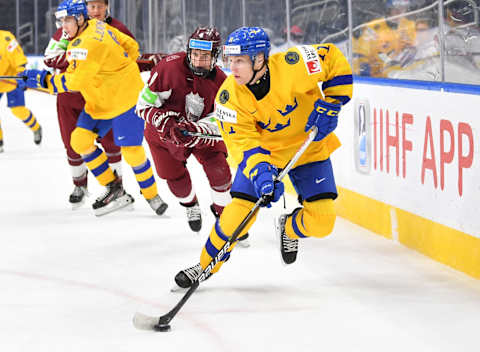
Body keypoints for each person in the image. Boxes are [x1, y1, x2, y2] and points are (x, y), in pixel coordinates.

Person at [173, 26, 353, 288]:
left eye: (240, 61)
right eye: (230, 60)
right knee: (236, 217)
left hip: (308, 148)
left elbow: (332, 57)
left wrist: (333, 102)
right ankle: (203, 267)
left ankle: (289, 228)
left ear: (260, 59)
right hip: (265, 155)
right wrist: (261, 174)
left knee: (323, 222)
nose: (233, 68)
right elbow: (243, 144)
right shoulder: (228, 98)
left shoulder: (293, 64)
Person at [23, 0, 167, 217]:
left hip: (125, 98)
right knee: (79, 140)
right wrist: (114, 67)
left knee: (131, 151)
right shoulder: (97, 26)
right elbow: (131, 46)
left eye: (68, 20)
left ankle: (152, 195)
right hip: (99, 101)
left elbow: (74, 82)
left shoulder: (86, 44)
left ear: (80, 19)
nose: (64, 26)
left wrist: (44, 81)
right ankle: (114, 188)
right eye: (61, 20)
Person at [136, 26, 247, 239]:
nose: (197, 61)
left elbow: (221, 121)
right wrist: (165, 122)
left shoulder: (223, 83)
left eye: (205, 56)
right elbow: (142, 106)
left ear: (215, 56)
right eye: (195, 54)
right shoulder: (167, 69)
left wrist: (196, 129)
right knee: (176, 181)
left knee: (220, 172)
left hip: (200, 134)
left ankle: (226, 218)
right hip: (163, 134)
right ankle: (190, 204)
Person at [43, 0, 135, 208]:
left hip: (102, 96)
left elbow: (129, 54)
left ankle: (117, 188)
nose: (95, 11)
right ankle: (80, 185)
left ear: (107, 7)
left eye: (99, 6)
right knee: (73, 143)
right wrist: (78, 60)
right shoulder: (66, 31)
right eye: (91, 6)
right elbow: (49, 58)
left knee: (112, 142)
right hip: (69, 97)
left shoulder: (115, 28)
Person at [0, 30, 42, 151]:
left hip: (11, 80)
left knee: (18, 110)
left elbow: (19, 59)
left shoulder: (6, 38)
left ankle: (36, 128)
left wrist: (21, 75)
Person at [353, 0, 416, 77]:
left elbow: (411, 50)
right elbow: (361, 53)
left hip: (400, 75)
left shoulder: (409, 25)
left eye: (403, 8)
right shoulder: (373, 27)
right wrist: (364, 71)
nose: (399, 12)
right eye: (395, 8)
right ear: (389, 9)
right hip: (375, 77)